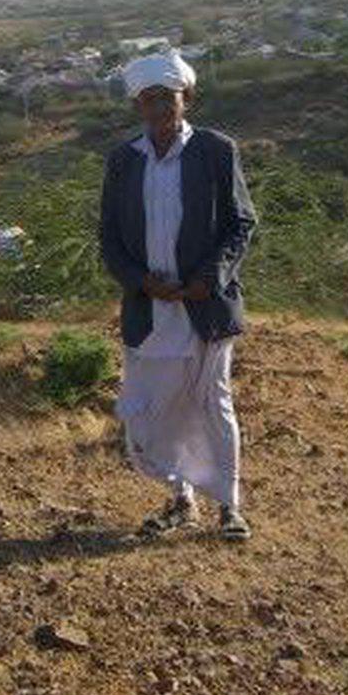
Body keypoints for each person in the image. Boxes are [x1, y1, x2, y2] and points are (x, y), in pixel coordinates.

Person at [98, 51, 258, 540]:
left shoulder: (215, 149)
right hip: (150, 306)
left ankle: (229, 507)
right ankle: (181, 500)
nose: (158, 107)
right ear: (137, 106)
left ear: (185, 98)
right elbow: (108, 238)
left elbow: (240, 222)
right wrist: (142, 282)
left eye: (167, 98)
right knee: (159, 406)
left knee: (213, 401)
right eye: (148, 99)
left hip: (205, 303)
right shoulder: (124, 160)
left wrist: (210, 276)